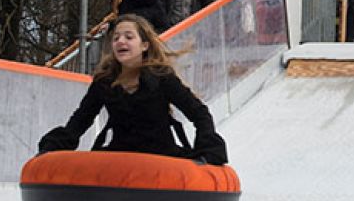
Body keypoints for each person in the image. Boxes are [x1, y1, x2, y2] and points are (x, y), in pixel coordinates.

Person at [38, 14, 228, 165]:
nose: (121, 42)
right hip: (121, 155)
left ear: (144, 45)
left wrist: (206, 148)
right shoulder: (105, 83)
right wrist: (54, 149)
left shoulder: (162, 78)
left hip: (162, 156)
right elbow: (80, 120)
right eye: (116, 38)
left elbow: (199, 112)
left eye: (129, 37)